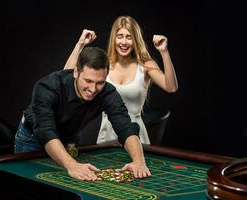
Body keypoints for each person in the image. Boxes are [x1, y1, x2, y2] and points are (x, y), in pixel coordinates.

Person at [14, 46, 151, 181]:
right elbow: (46, 131)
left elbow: (125, 128)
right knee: (29, 186)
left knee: (66, 185)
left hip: (69, 138)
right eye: (88, 81)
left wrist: (139, 161)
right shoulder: (47, 87)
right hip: (33, 139)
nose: (93, 89)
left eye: (100, 83)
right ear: (75, 72)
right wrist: (72, 165)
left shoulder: (108, 92)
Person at [64, 16, 178, 145]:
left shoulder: (145, 65)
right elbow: (65, 77)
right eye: (120, 36)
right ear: (114, 38)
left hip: (136, 136)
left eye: (129, 37)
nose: (124, 42)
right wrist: (80, 44)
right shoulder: (104, 64)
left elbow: (171, 87)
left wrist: (164, 51)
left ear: (135, 40)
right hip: (107, 137)